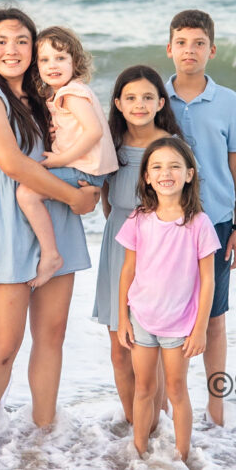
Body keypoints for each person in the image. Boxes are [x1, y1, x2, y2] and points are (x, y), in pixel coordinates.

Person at [0, 6, 100, 429]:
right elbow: (14, 164)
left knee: (52, 336)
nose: (11, 50)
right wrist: (76, 198)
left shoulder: (46, 98)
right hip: (5, 220)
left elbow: (82, 146)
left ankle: (44, 432)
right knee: (4, 345)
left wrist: (93, 189)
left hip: (51, 214)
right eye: (0, 41)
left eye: (21, 41)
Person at [164, 9, 236, 426]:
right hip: (166, 226)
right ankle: (165, 408)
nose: (189, 50)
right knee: (164, 319)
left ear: (211, 50)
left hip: (215, 224)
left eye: (198, 43)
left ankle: (216, 411)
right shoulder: (156, 98)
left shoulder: (228, 101)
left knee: (214, 320)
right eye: (181, 42)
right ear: (169, 49)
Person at [117, 137, 219, 461]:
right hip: (142, 318)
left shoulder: (198, 223)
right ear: (147, 176)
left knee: (176, 390)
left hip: (179, 324)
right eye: (157, 166)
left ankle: (182, 456)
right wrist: (122, 318)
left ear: (189, 174)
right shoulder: (138, 218)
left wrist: (200, 328)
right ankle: (139, 453)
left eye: (175, 166)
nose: (166, 173)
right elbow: (127, 271)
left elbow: (208, 280)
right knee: (144, 388)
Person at [91, 65, 181, 426]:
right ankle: (134, 428)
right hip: (118, 246)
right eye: (130, 97)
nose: (139, 104)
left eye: (147, 97)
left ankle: (155, 427)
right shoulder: (110, 145)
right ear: (118, 103)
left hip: (159, 252)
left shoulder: (172, 146)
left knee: (150, 351)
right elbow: (107, 202)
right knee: (119, 350)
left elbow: (185, 206)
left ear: (161, 102)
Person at [16, 26, 118, 288]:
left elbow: (93, 131)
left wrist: (60, 160)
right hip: (91, 168)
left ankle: (51, 255)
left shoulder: (71, 94)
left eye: (61, 58)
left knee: (26, 193)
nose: (53, 65)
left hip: (86, 169)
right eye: (45, 59)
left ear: (76, 62)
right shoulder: (69, 92)